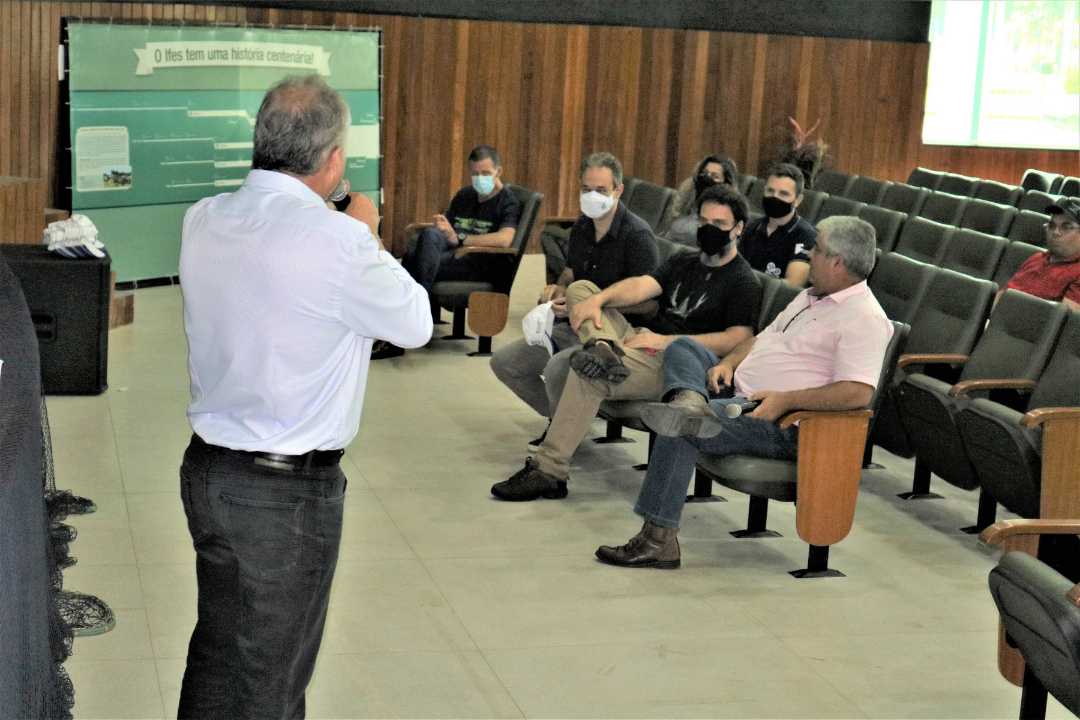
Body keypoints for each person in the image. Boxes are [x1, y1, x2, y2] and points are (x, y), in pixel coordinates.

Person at [177, 75, 432, 719]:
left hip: (209, 471)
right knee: (272, 676)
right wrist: (367, 232)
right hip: (283, 495)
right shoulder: (340, 242)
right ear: (334, 160)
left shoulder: (202, 218)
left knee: (218, 654)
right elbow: (415, 324)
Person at [595, 215, 891, 568]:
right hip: (736, 391)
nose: (809, 254)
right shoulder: (810, 297)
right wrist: (728, 363)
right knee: (684, 347)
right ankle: (690, 399)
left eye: (817, 249)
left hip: (782, 421)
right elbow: (760, 339)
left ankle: (658, 540)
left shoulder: (864, 318)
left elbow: (856, 392)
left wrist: (786, 400)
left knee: (680, 425)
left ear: (837, 262)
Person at [491, 185, 761, 502]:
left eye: (719, 224)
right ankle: (602, 348)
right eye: (703, 221)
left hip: (676, 363)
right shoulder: (685, 261)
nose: (708, 229)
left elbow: (738, 338)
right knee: (581, 289)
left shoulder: (743, 280)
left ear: (738, 228)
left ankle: (549, 470)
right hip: (637, 340)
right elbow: (641, 285)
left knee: (584, 372)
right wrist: (598, 300)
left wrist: (664, 340)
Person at [491, 152, 659, 444]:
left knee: (559, 367)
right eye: (586, 189)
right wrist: (559, 290)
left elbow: (651, 303)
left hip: (619, 334)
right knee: (505, 363)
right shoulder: (581, 227)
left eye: (601, 190)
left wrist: (592, 304)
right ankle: (568, 421)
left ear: (618, 190)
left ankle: (562, 435)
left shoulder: (637, 236)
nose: (593, 196)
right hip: (574, 326)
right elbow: (570, 274)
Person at [380, 145, 521, 358]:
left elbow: (505, 239)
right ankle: (417, 313)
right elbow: (448, 231)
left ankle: (412, 317)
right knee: (427, 237)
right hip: (456, 255)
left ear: (499, 171)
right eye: (475, 174)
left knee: (413, 259)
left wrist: (461, 239)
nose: (480, 179)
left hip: (483, 262)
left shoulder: (508, 202)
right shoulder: (465, 195)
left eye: (486, 173)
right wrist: (445, 229)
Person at [738, 163, 817, 286]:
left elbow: (792, 285)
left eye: (783, 193)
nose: (775, 197)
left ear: (797, 200)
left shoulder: (806, 236)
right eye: (770, 191)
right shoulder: (753, 226)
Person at [994, 198, 1080, 311]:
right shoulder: (1036, 258)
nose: (1055, 232)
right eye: (1052, 226)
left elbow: (1062, 319)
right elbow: (1004, 294)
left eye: (1066, 227)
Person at [666, 154, 740, 247]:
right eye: (705, 173)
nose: (706, 178)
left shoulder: (727, 213)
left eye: (714, 176)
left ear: (726, 184)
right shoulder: (689, 198)